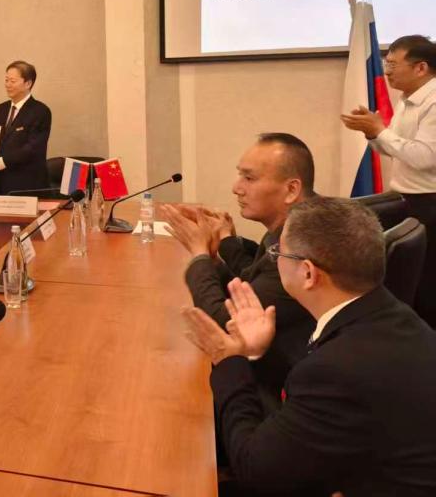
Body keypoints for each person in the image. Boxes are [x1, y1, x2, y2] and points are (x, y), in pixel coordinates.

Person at [182, 196, 436, 496]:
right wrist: (255, 353)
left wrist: (229, 360)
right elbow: (316, 404)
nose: (274, 260)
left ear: (307, 273)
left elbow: (255, 471)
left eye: (278, 253)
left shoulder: (337, 369)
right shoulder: (392, 314)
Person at [162, 133, 315, 397]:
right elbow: (250, 284)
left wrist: (199, 255)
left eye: (249, 178)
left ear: (291, 190)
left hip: (273, 388)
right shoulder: (296, 223)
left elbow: (224, 326)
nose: (237, 188)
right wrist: (214, 257)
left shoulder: (300, 246)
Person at [341, 34, 436, 326]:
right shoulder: (409, 100)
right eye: (386, 63)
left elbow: (424, 157)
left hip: (430, 205)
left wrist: (380, 131)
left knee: (427, 288)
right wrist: (373, 133)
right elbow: (395, 150)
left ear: (420, 67)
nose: (387, 70)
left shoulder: (434, 101)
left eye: (394, 64)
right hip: (407, 200)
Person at [0, 60, 51, 195]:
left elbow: (32, 148)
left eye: (12, 81)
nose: (7, 85)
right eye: (6, 80)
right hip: (1, 184)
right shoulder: (1, 109)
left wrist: (2, 162)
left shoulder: (40, 111)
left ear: (28, 83)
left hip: (27, 185)